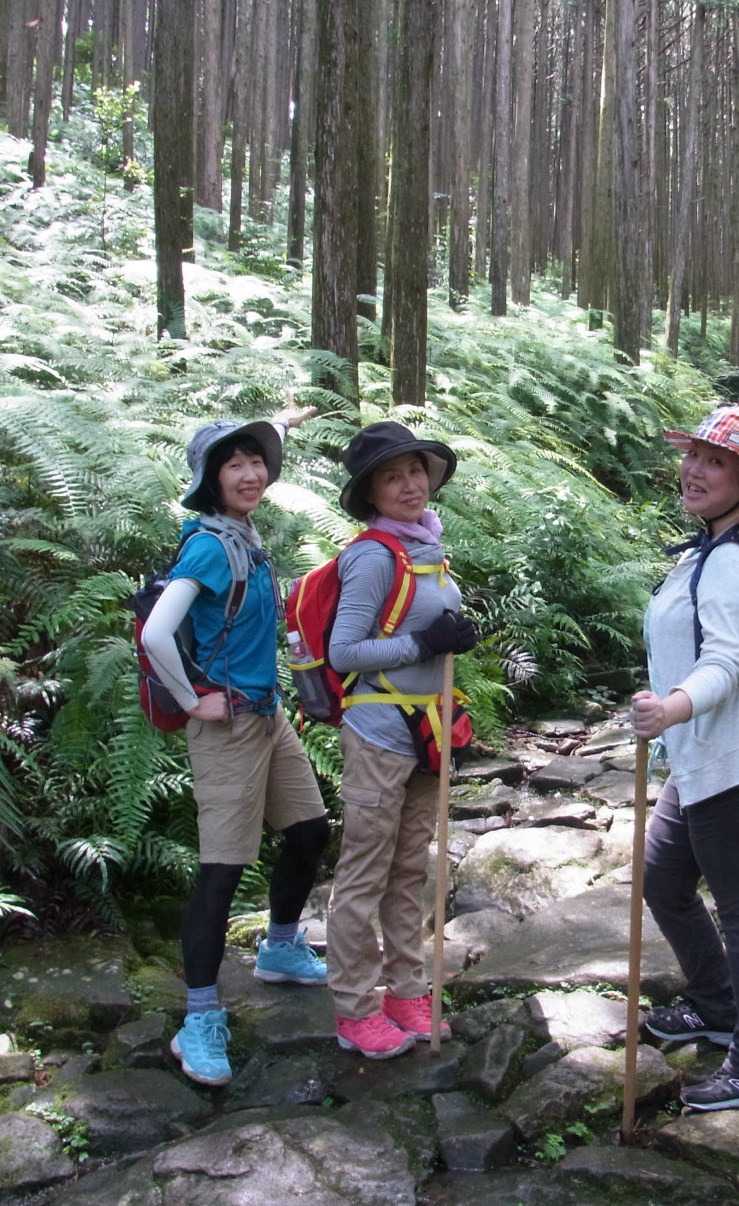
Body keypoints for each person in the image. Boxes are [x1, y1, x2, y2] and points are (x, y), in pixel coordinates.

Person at [140, 409, 332, 1087]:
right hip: (225, 728)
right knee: (222, 871)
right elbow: (155, 635)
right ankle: (198, 1020)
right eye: (234, 465)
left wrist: (280, 420)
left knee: (309, 831)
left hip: (265, 716)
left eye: (257, 462)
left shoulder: (241, 535)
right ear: (210, 479)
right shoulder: (209, 548)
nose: (251, 475)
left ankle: (279, 948)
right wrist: (193, 701)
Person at [629, 406, 739, 1111]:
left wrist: (671, 709)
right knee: (663, 879)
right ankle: (717, 1003)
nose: (695, 470)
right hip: (706, 754)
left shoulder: (735, 562)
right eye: (694, 455)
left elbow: (727, 662)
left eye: (716, 462)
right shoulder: (710, 548)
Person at [324, 421, 480, 1059]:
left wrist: (450, 638)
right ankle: (354, 1007)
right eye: (393, 476)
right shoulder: (373, 556)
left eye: (416, 470)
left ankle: (407, 988)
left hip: (425, 732)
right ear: (371, 492)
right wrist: (423, 643)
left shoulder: (426, 546)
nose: (411, 484)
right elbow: (343, 652)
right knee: (364, 870)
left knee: (411, 866)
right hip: (379, 732)